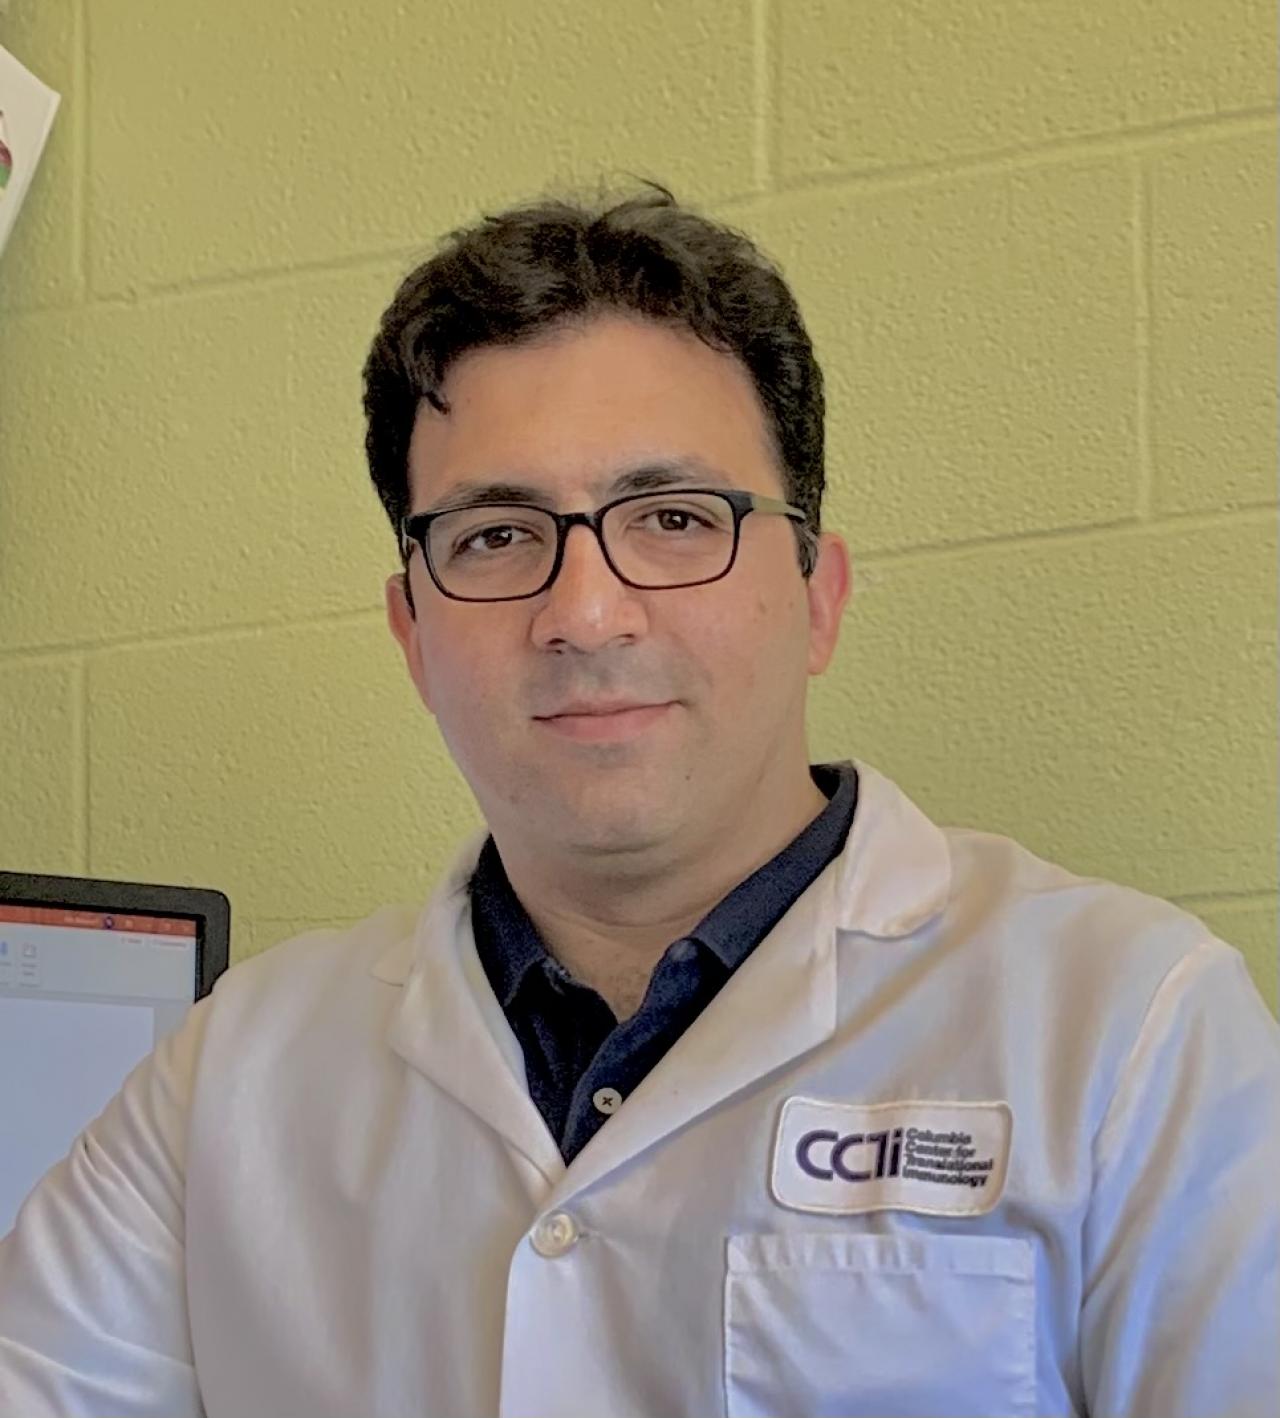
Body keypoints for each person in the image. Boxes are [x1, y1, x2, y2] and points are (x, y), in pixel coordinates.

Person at [1, 179, 1277, 1418]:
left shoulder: (1126, 1029)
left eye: (671, 516)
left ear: (815, 593)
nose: (584, 612)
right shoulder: (230, 1074)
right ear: (411, 630)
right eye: (495, 537)